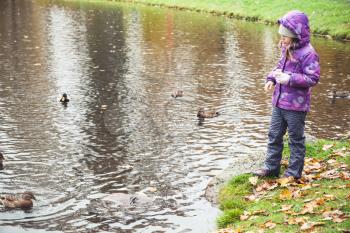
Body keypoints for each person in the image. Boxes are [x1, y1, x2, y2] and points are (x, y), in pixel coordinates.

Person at [253, 10, 320, 179]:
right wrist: (272, 79)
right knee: (274, 135)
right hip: (279, 103)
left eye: (285, 36)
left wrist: (289, 79)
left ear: (296, 36)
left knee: (295, 140)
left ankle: (293, 173)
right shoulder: (286, 47)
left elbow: (312, 78)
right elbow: (279, 67)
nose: (281, 39)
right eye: (281, 36)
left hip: (296, 106)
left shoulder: (308, 53)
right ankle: (271, 167)